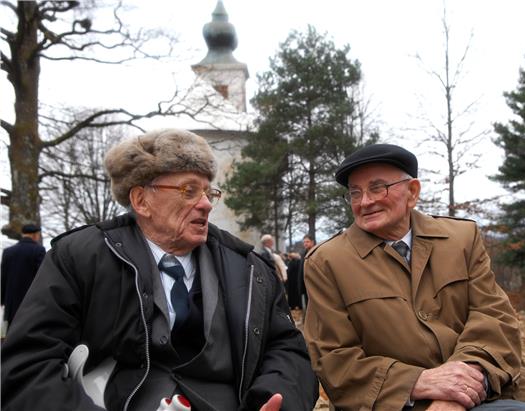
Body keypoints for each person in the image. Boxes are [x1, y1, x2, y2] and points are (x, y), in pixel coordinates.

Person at [1, 129, 318, 411]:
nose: (206, 204)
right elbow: (28, 362)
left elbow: (287, 349)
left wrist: (274, 398)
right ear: (141, 200)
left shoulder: (250, 269)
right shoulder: (80, 257)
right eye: (189, 191)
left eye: (209, 192)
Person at [303, 143, 525, 411]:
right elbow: (334, 359)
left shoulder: (461, 239)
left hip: (488, 382)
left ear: (413, 191)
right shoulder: (327, 262)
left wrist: (458, 387)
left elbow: (494, 318)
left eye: (377, 188)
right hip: (395, 401)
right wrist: (419, 382)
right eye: (355, 193)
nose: (365, 202)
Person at [1, 223, 46, 328]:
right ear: (35, 235)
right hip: (31, 302)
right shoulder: (39, 250)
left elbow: (3, 277)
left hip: (11, 303)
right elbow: (42, 276)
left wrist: (2, 299)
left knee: (12, 332)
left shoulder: (8, 252)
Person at [297, 235, 315, 310]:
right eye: (304, 242)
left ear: (312, 242)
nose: (305, 244)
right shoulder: (303, 253)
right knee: (308, 304)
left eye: (307, 242)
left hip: (314, 282)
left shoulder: (316, 252)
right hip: (305, 283)